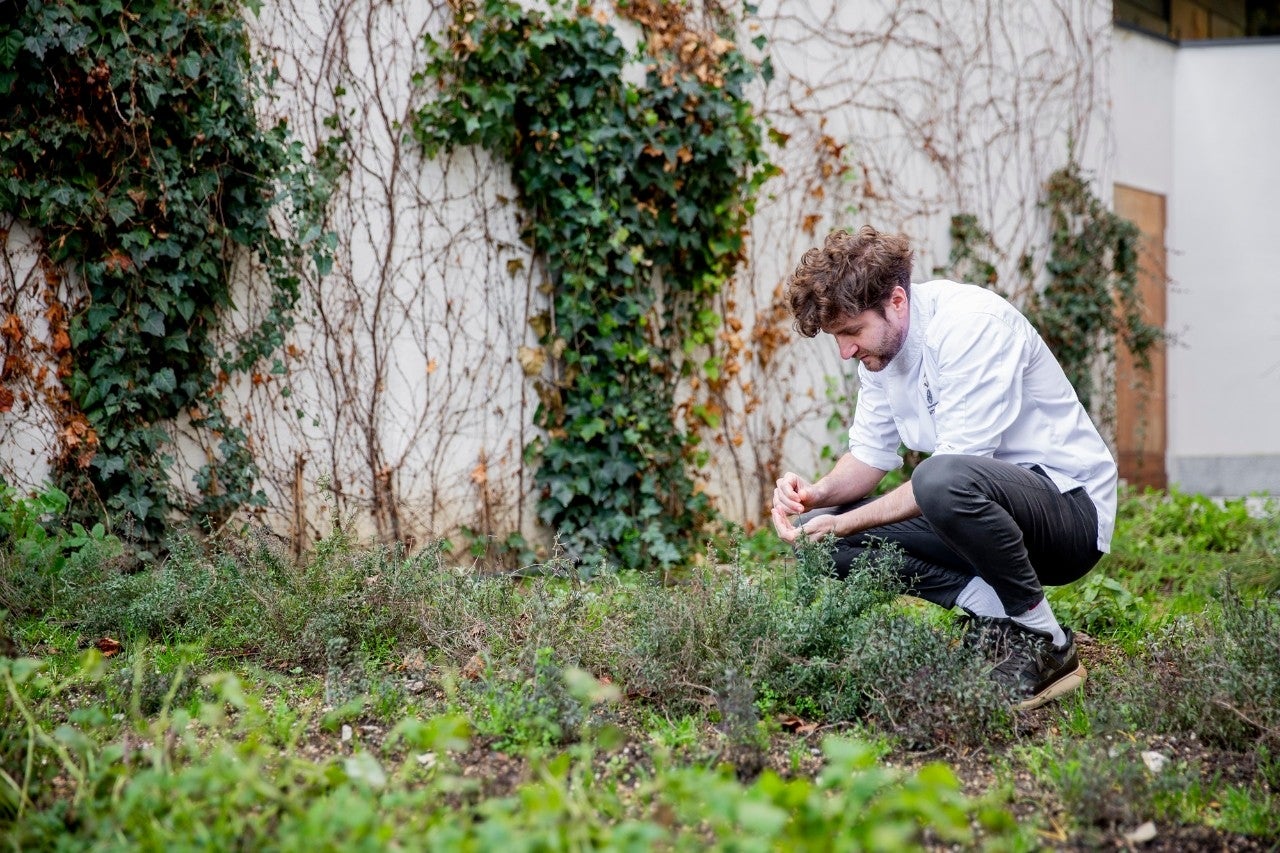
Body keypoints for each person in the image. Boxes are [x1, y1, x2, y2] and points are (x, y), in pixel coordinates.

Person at [771, 226, 1117, 710]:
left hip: (1068, 517)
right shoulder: (880, 355)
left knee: (938, 478)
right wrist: (813, 495)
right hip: (982, 517)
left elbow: (953, 473)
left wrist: (846, 517)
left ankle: (1046, 643)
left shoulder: (971, 325)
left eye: (851, 332)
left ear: (896, 301)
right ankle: (995, 615)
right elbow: (870, 456)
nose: (845, 350)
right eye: (837, 337)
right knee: (821, 539)